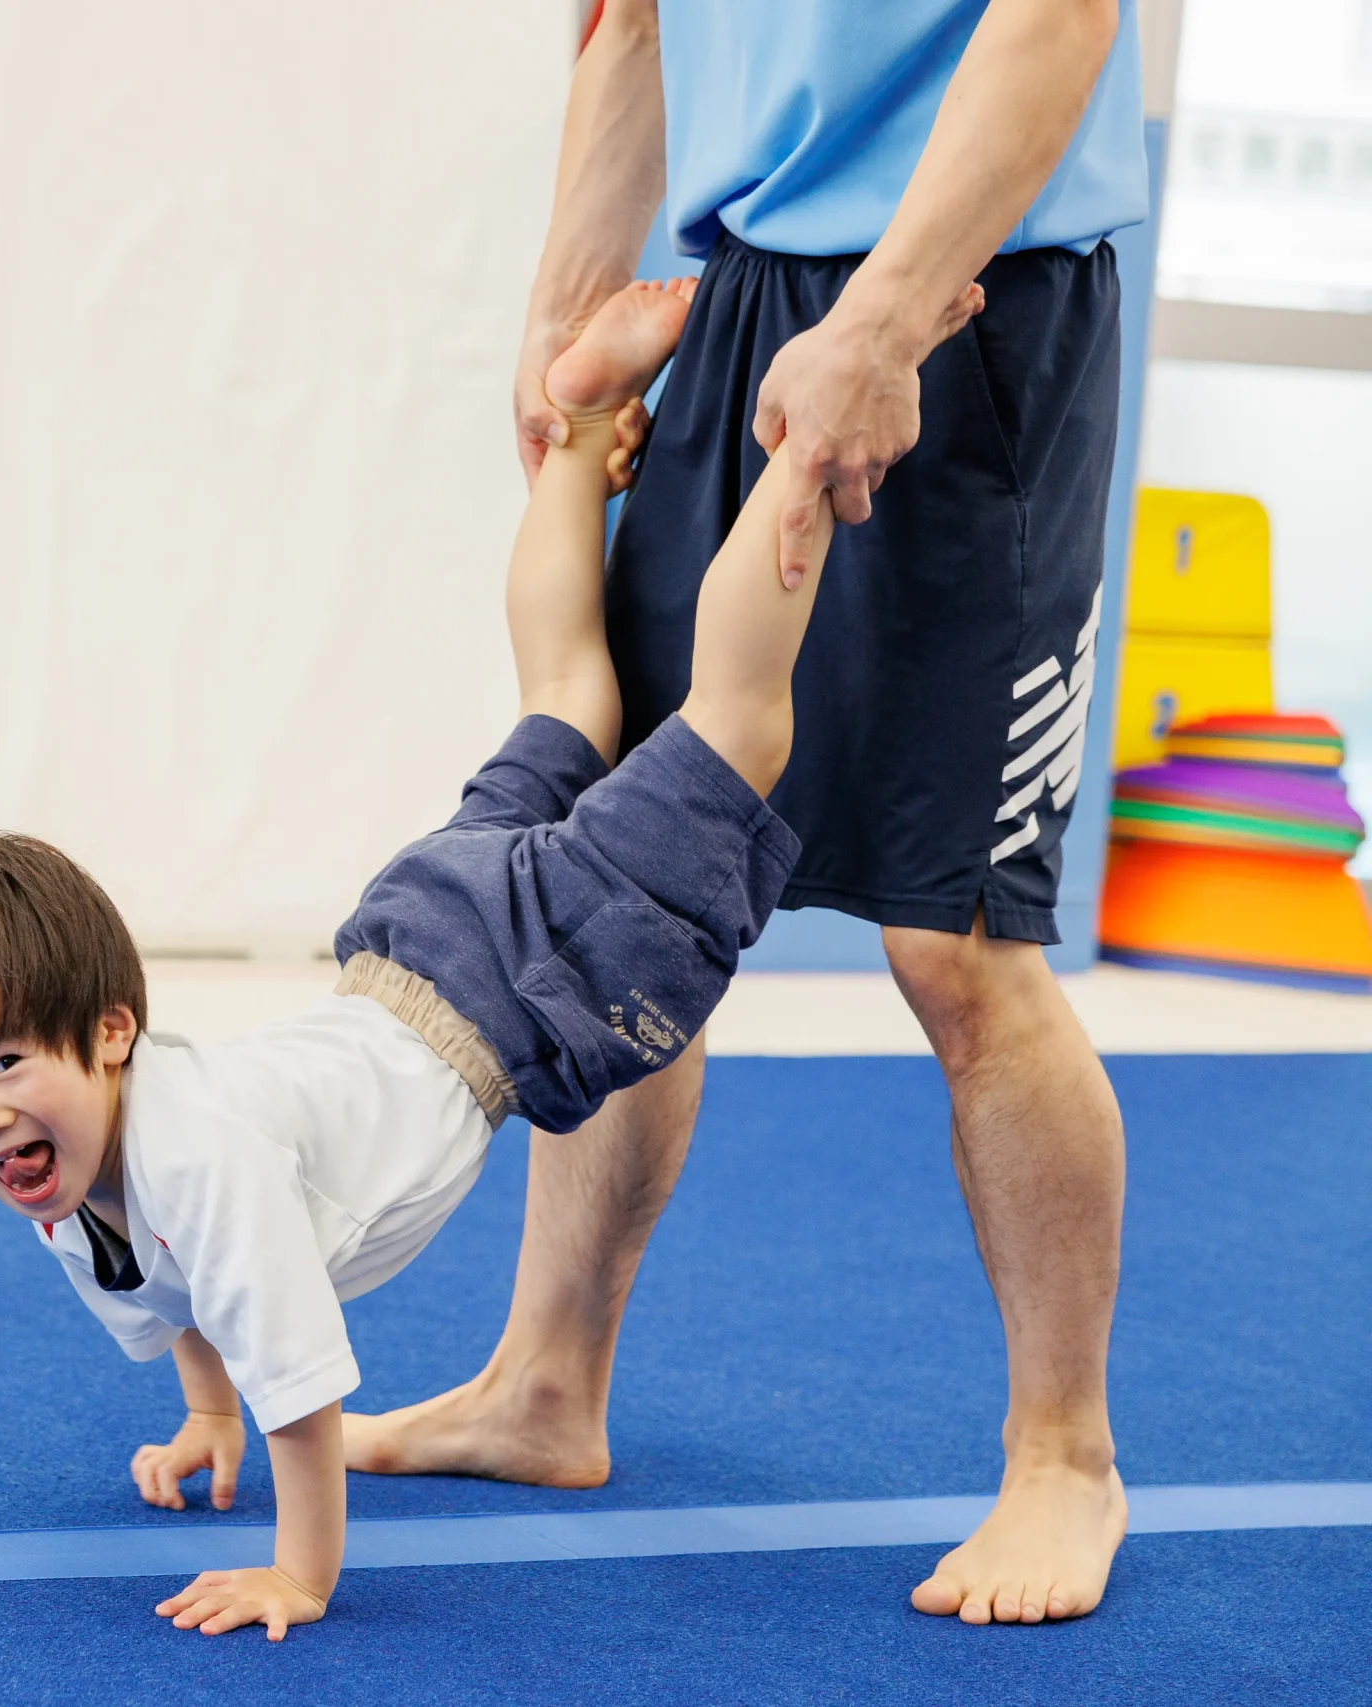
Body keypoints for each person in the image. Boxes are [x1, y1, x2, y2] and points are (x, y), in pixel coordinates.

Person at [0, 274, 981, 1640]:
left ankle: (804, 453)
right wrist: (205, 1417)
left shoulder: (193, 1163)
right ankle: (585, 411)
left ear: (114, 1030)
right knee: (568, 696)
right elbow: (170, 1294)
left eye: (5, 1060)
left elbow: (302, 1398)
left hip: (505, 978)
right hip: (412, 932)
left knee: (735, 728)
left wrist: (298, 1573)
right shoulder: (66, 1175)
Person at [341, 0, 1144, 1628]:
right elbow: (633, 18)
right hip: (736, 294)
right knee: (629, 865)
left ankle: (1065, 1454)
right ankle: (547, 1382)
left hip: (976, 294)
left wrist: (890, 320)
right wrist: (565, 314)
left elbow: (1062, 11)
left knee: (959, 940)